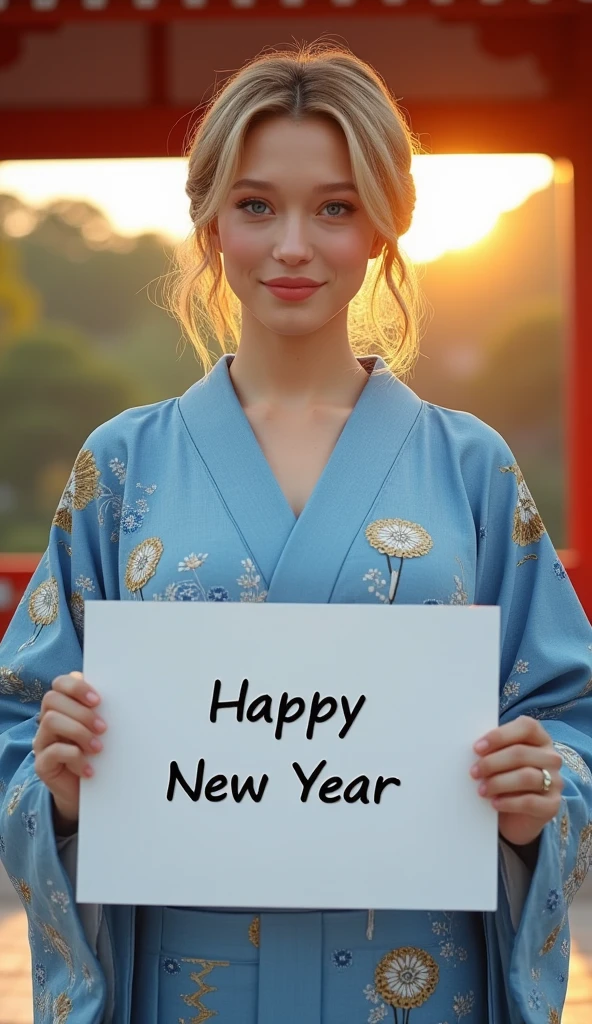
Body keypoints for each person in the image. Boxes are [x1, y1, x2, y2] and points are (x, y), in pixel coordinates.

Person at [0, 41, 591, 1024]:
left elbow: (570, 710)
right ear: (209, 224)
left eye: (335, 206)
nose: (291, 246)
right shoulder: (123, 467)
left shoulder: (470, 466)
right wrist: (58, 786)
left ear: (382, 228)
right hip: (189, 989)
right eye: (255, 205)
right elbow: (18, 720)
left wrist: (541, 794)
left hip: (412, 986)